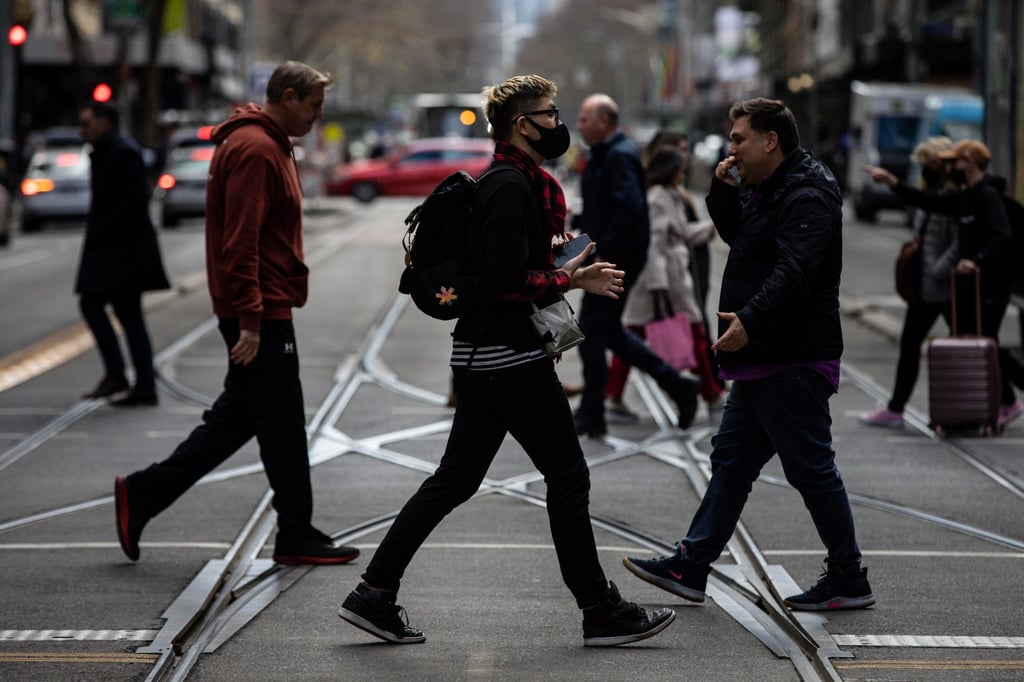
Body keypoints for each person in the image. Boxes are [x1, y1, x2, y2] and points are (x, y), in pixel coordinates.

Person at [338, 75, 676, 647]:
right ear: (523, 124)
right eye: (549, 112)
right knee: (567, 476)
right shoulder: (510, 187)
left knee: (455, 479)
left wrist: (555, 257)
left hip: (484, 357)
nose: (557, 122)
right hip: (509, 358)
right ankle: (600, 609)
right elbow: (503, 282)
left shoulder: (513, 184)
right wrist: (572, 277)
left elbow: (510, 262)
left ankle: (373, 593)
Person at [623, 98, 875, 612]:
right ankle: (691, 565)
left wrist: (749, 321)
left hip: (793, 355)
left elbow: (796, 270)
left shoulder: (808, 192)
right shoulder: (771, 187)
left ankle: (849, 576)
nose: (730, 146)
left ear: (770, 140)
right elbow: (743, 240)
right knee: (732, 462)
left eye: (738, 138)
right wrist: (723, 190)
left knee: (810, 469)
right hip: (768, 354)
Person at [113, 61, 359, 566]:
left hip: (263, 303)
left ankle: (145, 494)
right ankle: (294, 534)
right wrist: (250, 318)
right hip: (261, 309)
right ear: (288, 97)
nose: (318, 116)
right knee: (283, 421)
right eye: (314, 106)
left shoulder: (265, 143)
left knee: (243, 418)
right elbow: (240, 241)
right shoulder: (256, 149)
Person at [862, 138, 1022, 428]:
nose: (952, 167)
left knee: (985, 342)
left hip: (980, 285)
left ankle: (1006, 401)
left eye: (956, 161)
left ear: (969, 164)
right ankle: (1002, 402)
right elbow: (927, 201)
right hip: (960, 284)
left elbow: (1001, 237)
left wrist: (974, 260)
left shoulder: (986, 195)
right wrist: (894, 183)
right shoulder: (963, 196)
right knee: (981, 341)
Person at [573, 94, 698, 437]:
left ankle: (592, 411)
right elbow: (602, 208)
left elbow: (629, 209)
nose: (580, 126)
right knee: (608, 332)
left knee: (591, 332)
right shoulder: (602, 155)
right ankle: (678, 386)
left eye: (585, 119)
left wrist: (603, 254)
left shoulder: (620, 156)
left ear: (605, 121)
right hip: (606, 255)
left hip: (614, 261)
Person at [605, 146, 724, 423]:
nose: (684, 172)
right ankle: (712, 395)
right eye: (681, 167)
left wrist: (710, 227)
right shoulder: (659, 198)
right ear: (670, 170)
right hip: (664, 283)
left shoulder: (668, 196)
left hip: (661, 282)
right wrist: (659, 287)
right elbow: (655, 244)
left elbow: (678, 234)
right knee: (694, 333)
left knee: (630, 338)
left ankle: (612, 396)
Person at [859, 137, 960, 428]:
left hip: (939, 286)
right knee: (914, 344)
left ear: (940, 165)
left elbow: (958, 243)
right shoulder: (934, 193)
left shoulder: (950, 196)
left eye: (928, 165)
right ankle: (896, 407)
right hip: (927, 287)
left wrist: (938, 270)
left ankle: (896, 408)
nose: (924, 171)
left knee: (963, 341)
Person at [76, 100, 170, 405]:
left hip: (123, 253)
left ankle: (133, 380)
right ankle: (135, 381)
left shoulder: (122, 153)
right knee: (123, 314)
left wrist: (105, 233)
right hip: (114, 251)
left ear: (105, 123)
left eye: (86, 124)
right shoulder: (106, 152)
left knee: (112, 310)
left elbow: (133, 202)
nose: (82, 131)